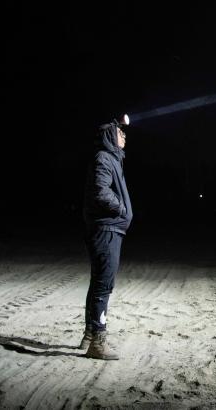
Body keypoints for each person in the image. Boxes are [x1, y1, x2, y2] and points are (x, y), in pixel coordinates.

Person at [80, 118, 133, 360]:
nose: (124, 135)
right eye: (120, 132)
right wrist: (121, 209)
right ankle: (98, 343)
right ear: (110, 136)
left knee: (98, 282)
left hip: (109, 229)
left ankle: (90, 335)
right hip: (106, 230)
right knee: (103, 284)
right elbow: (100, 192)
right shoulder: (103, 158)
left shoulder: (111, 158)